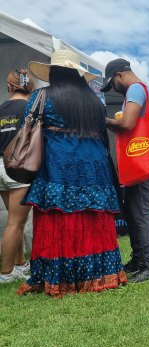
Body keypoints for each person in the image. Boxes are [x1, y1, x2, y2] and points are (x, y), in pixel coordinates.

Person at [14, 50, 126, 296]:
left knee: (58, 218)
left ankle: (58, 278)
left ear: (53, 72)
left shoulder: (42, 95)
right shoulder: (94, 102)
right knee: (94, 219)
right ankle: (99, 275)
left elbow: (27, 127)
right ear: (77, 74)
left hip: (59, 165)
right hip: (95, 168)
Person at [102, 58, 149, 283]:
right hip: (143, 157)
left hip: (140, 159)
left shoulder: (136, 89)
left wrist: (104, 120)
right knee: (134, 210)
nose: (114, 90)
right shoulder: (148, 92)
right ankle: (140, 259)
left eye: (112, 84)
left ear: (119, 75)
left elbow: (127, 123)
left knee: (141, 212)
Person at [0, 69, 35, 283]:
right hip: (19, 167)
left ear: (9, 86)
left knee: (16, 222)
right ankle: (6, 272)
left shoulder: (1, 108)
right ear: (30, 87)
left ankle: (20, 264)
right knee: (16, 221)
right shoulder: (30, 108)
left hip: (0, 167)